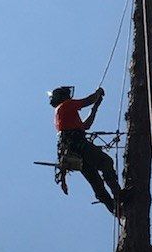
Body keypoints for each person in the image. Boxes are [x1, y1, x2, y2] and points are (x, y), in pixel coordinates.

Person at [49, 85, 122, 214]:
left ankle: (116, 210)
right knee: (106, 162)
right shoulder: (66, 105)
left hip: (74, 151)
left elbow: (85, 125)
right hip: (78, 145)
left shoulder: (63, 113)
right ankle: (119, 195)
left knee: (96, 181)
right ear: (63, 96)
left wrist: (95, 107)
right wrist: (98, 93)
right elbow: (88, 100)